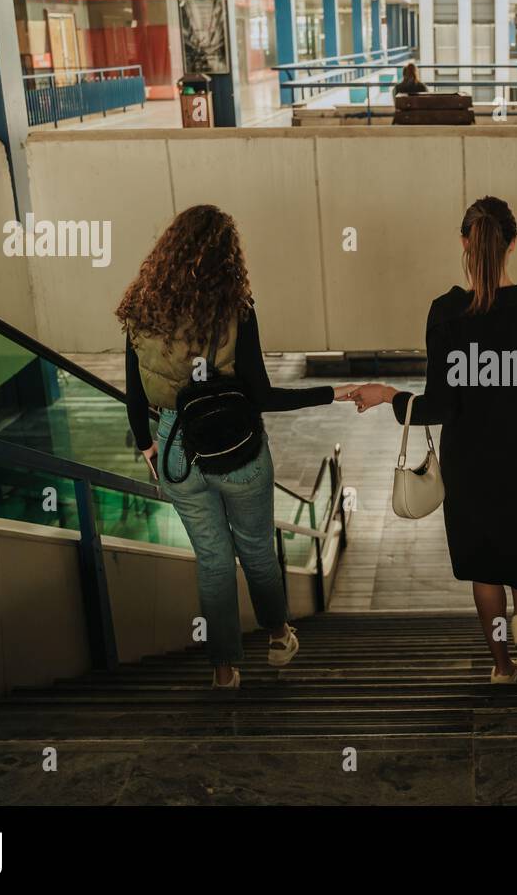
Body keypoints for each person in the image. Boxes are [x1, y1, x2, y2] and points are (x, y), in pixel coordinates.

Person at [346, 196, 517, 684]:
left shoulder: (446, 314)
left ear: (464, 241)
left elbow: (439, 406)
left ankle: (503, 665)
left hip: (471, 467)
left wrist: (387, 395)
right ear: (513, 244)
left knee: (486, 570)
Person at [117, 204, 357, 690]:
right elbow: (262, 395)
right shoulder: (235, 310)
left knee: (212, 557)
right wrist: (334, 393)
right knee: (256, 550)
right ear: (227, 258)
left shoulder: (142, 307)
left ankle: (225, 669)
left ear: (168, 249)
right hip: (235, 444)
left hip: (175, 448)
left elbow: (134, 391)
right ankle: (277, 634)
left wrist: (147, 445)